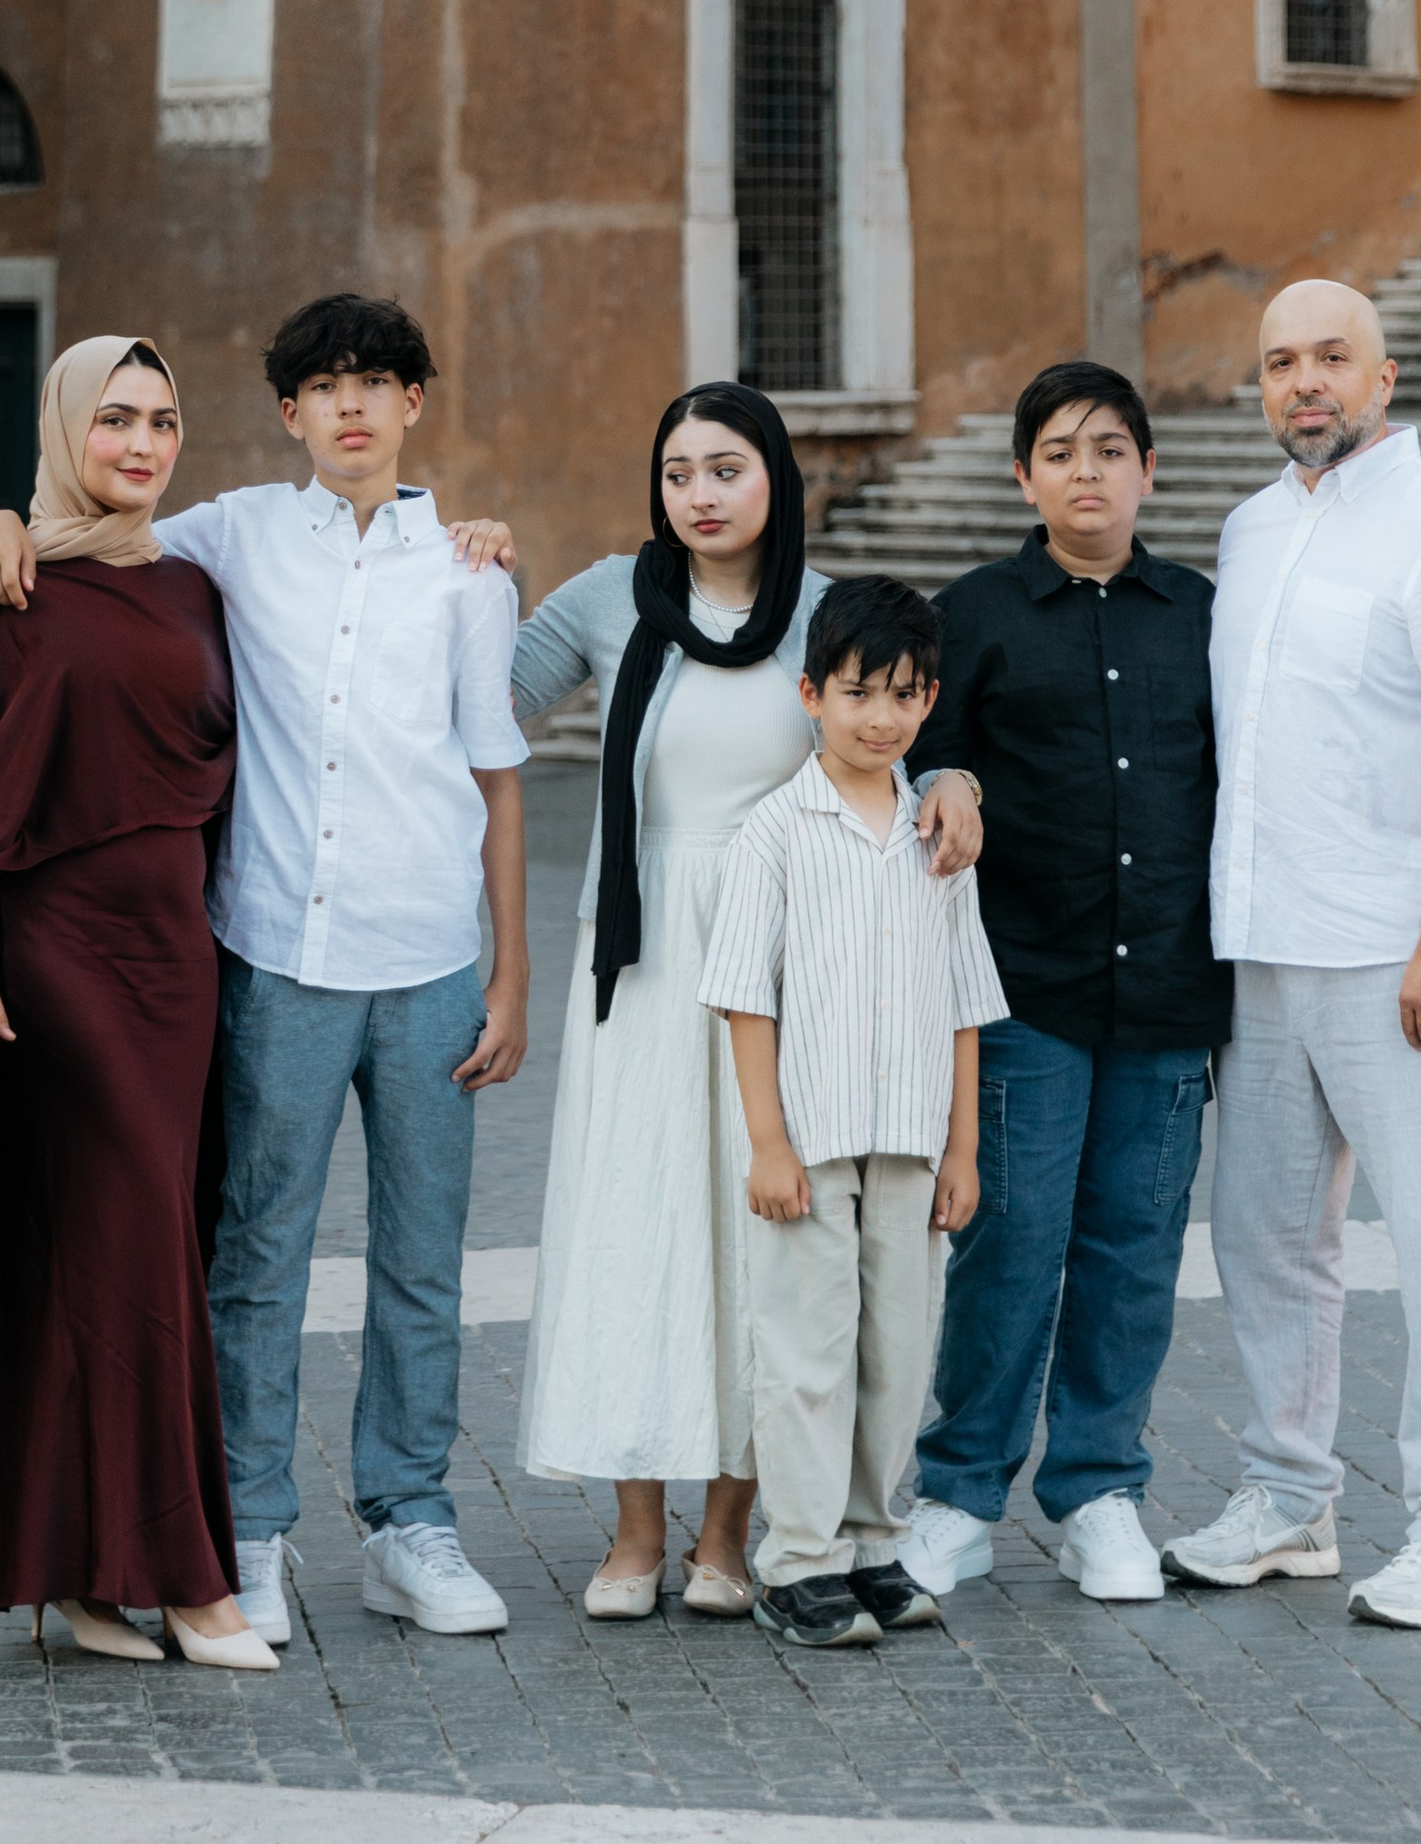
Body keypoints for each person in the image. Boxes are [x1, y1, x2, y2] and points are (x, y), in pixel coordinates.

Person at [0, 291, 528, 1646]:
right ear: (288, 412)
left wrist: (510, 979)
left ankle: (410, 1522)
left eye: (376, 384)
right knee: (257, 1257)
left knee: (421, 1260)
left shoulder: (471, 574)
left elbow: (497, 782)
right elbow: (86, 526)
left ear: (412, 407)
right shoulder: (230, 538)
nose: (350, 407)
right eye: (323, 386)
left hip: (434, 958)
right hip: (274, 955)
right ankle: (250, 1526)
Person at [0, 335, 275, 1671]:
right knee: (136, 1241)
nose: (139, 444)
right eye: (113, 420)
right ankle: (194, 1581)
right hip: (58, 964)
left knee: (95, 1257)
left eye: (161, 420)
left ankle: (76, 1582)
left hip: (175, 963)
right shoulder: (1, 590)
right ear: (66, 429)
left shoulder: (196, 589)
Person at [1160, 279, 1421, 1632]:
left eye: (1332, 357)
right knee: (1266, 1244)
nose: (1304, 381)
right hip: (1261, 953)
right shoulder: (1254, 529)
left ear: (1385, 376)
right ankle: (1288, 1498)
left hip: (1398, 960)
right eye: (1278, 362)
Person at [894, 360, 1226, 1610]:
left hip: (1164, 993)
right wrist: (949, 776)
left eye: (1109, 450)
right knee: (1007, 1245)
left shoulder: (1199, 611)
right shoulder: (974, 610)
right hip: (1020, 987)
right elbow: (920, 739)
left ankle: (1098, 1492)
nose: (1085, 472)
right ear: (1021, 475)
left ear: (1148, 468)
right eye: (1059, 452)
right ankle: (959, 1495)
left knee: (1132, 1252)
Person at [509, 383, 834, 1621]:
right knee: (635, 1225)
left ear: (774, 480)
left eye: (726, 470)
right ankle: (634, 1530)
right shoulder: (608, 597)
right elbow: (483, 698)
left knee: (762, 1236)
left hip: (781, 961)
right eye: (679, 472)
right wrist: (477, 572)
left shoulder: (820, 612)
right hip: (638, 957)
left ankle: (727, 1533)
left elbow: (892, 739)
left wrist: (953, 771)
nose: (700, 495)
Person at [700, 577, 1007, 1652]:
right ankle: (798, 1560)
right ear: (810, 694)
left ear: (931, 703)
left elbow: (968, 1003)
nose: (880, 715)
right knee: (808, 1352)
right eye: (858, 692)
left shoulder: (938, 835)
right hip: (812, 1144)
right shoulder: (774, 834)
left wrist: (960, 1147)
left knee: (896, 1350)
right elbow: (744, 994)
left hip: (912, 1141)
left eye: (905, 695)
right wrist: (768, 1144)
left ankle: (875, 1544)